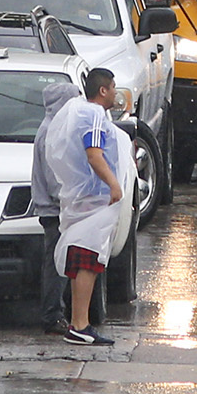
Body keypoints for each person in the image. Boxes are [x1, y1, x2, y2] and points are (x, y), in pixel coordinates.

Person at [37, 67, 125, 345]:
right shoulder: (95, 115)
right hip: (95, 199)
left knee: (79, 259)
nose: (115, 92)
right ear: (103, 90)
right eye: (113, 87)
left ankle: (78, 323)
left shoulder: (76, 113)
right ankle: (80, 324)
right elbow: (94, 154)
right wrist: (114, 184)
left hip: (79, 199)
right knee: (88, 260)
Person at [25, 75, 82, 334]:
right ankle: (52, 315)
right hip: (56, 211)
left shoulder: (53, 128)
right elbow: (55, 180)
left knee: (60, 263)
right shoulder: (51, 132)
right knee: (56, 266)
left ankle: (57, 312)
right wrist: (73, 201)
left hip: (58, 209)